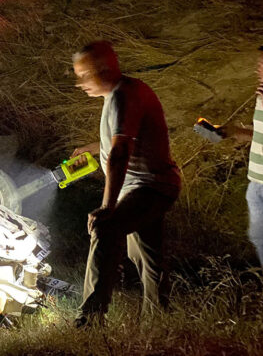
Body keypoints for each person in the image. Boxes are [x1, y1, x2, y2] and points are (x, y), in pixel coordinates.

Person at [71, 41, 181, 327]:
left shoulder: (124, 95)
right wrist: (92, 148)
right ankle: (159, 322)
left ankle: (90, 319)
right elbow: (122, 139)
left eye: (83, 75)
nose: (79, 84)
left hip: (151, 186)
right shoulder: (119, 94)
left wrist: (108, 206)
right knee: (146, 256)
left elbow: (120, 153)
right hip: (149, 186)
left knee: (106, 227)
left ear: (103, 69)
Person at [220, 43, 263, 282]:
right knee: (259, 239)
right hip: (255, 182)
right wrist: (232, 132)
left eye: (262, 64)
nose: (256, 68)